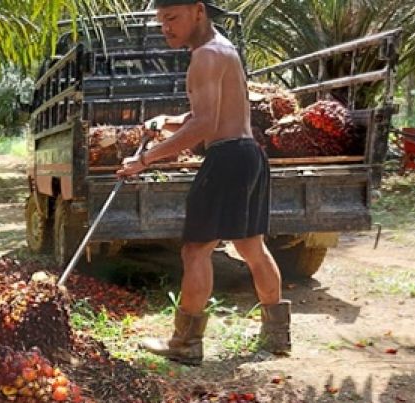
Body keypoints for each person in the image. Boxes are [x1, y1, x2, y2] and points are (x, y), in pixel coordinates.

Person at [116, 0, 290, 364]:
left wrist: (143, 160)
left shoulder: (204, 57)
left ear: (198, 10)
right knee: (252, 248)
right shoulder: (223, 49)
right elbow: (214, 113)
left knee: (196, 250)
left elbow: (205, 126)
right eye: (161, 21)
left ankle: (185, 344)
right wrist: (169, 120)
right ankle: (277, 336)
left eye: (172, 17)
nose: (166, 27)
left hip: (226, 157)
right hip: (248, 154)